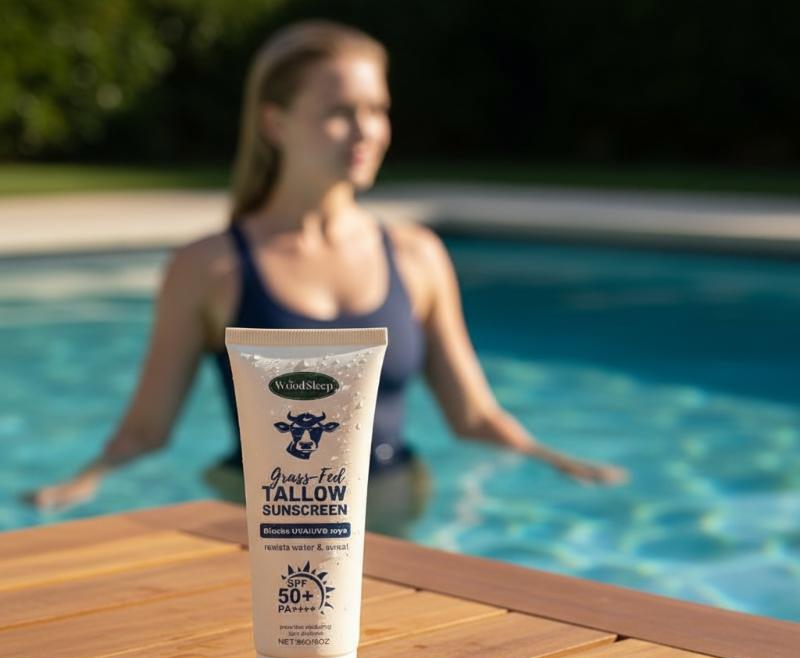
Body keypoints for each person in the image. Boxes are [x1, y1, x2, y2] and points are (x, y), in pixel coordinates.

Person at [26, 20, 627, 536]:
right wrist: (82, 482)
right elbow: (146, 430)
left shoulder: (417, 256)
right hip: (263, 521)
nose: (367, 130)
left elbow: (473, 416)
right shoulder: (208, 268)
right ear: (275, 123)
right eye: (340, 112)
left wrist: (559, 462)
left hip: (393, 510)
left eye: (377, 109)